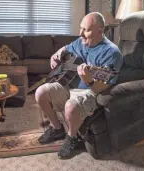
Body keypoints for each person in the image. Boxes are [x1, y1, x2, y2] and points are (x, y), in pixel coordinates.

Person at [35, 12, 123, 159]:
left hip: (91, 91)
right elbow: (66, 48)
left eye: (86, 30)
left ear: (100, 31)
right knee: (40, 93)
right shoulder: (81, 42)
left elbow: (100, 88)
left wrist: (89, 80)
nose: (80, 33)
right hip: (70, 84)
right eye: (80, 28)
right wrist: (56, 55)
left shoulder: (112, 53)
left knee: (70, 106)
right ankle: (57, 128)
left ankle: (72, 137)